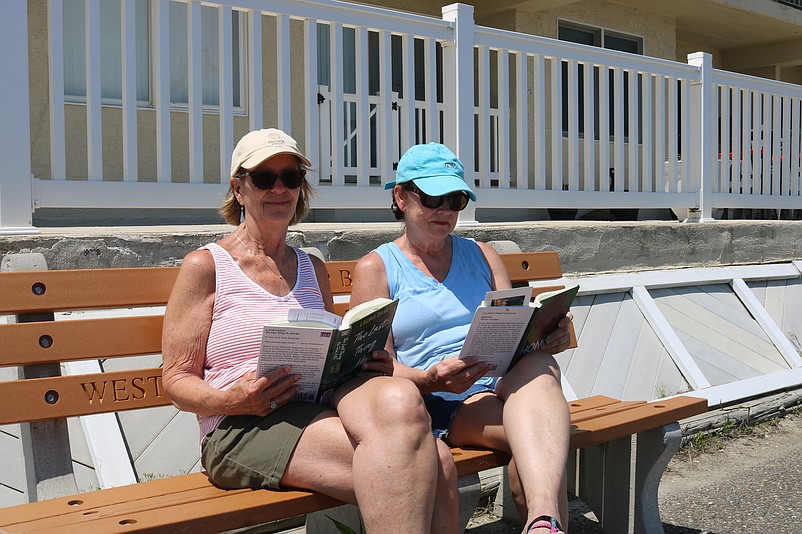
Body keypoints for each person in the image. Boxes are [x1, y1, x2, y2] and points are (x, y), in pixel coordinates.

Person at [161, 129, 458, 534]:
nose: (280, 188)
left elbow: (325, 352)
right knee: (418, 467)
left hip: (312, 411)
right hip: (238, 425)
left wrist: (357, 356)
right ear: (239, 188)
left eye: (292, 177)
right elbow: (176, 380)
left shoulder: (310, 268)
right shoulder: (206, 266)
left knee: (430, 449)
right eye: (264, 178)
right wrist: (233, 399)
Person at [349, 143, 573, 534]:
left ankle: (542, 518)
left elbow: (513, 323)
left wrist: (549, 333)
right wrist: (431, 377)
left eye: (455, 199)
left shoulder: (482, 254)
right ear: (400, 196)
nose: (446, 210)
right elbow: (375, 372)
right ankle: (547, 522)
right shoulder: (377, 267)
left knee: (540, 364)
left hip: (500, 381)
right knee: (540, 441)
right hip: (438, 398)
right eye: (434, 197)